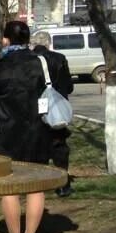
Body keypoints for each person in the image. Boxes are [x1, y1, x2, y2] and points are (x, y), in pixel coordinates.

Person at [0, 21, 69, 233]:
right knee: (35, 187)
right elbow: (61, 92)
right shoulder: (43, 63)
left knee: (10, 188)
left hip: (7, 132)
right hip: (38, 131)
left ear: (6, 40)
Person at [31, 31, 74, 197]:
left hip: (36, 109)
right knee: (59, 145)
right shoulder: (60, 58)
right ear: (48, 43)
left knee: (38, 145)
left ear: (34, 44)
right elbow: (68, 86)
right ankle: (63, 184)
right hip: (56, 110)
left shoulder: (28, 59)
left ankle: (38, 185)